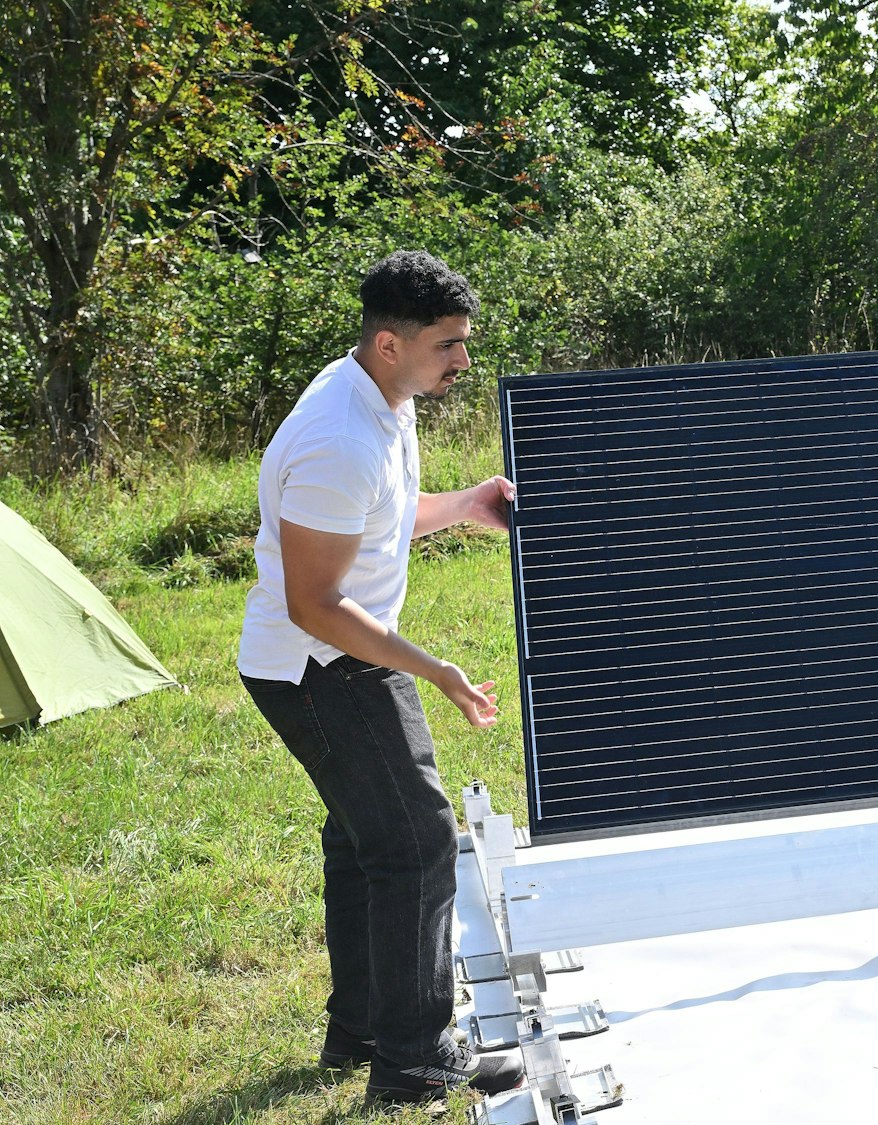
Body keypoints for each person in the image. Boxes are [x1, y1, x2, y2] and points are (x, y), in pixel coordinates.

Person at [237, 250, 525, 1101]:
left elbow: (383, 522)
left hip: (342, 651)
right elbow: (315, 604)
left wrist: (465, 504)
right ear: (391, 343)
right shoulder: (339, 438)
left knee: (365, 838)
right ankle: (415, 1059)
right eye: (448, 345)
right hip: (320, 664)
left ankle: (362, 1026)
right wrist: (433, 669)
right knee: (417, 840)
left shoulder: (382, 396)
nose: (463, 361)